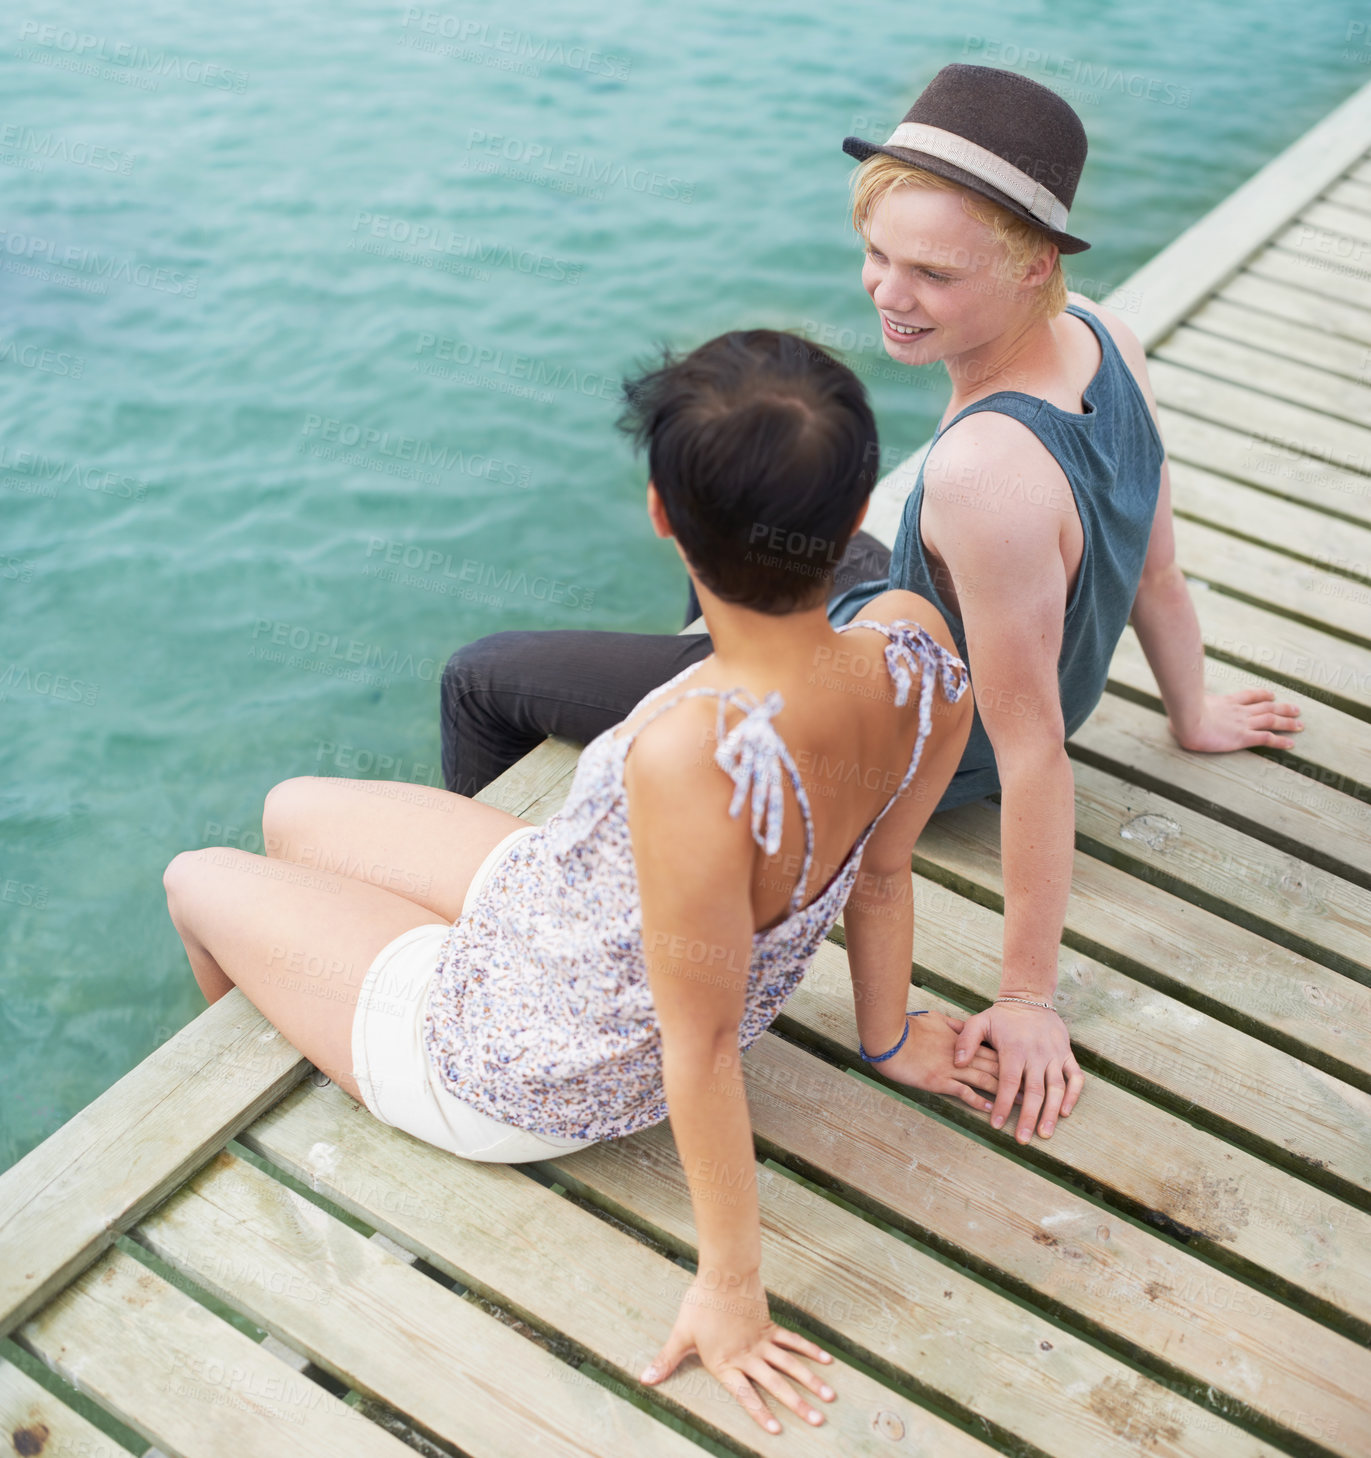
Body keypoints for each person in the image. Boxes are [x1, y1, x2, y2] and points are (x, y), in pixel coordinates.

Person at [439, 64, 1303, 1147]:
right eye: (878, 256)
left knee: (480, 680)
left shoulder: (985, 471)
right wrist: (1194, 710)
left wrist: (1028, 998)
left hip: (908, 734)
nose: (889, 294)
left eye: (933, 274)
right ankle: (719, 642)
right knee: (755, 491)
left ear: (1033, 263)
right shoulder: (1102, 335)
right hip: (941, 643)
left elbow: (1034, 756)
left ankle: (504, 937)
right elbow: (1158, 564)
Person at [163, 328, 993, 1436]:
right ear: (852, 522)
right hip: (567, 916)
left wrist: (732, 1294)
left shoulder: (692, 757)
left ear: (660, 514)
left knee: (195, 877)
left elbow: (694, 1053)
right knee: (289, 814)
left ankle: (286, 1118)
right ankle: (318, 1001)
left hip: (521, 1063)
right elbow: (883, 875)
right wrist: (885, 1041)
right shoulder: (917, 646)